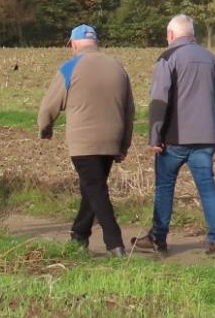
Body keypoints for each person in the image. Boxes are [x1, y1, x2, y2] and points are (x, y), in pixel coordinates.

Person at [137, 14, 215, 258]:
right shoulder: (211, 59)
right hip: (205, 138)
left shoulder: (168, 58)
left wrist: (155, 136)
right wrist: (211, 126)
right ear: (192, 33)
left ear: (170, 35)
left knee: (165, 188)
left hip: (174, 139)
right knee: (207, 188)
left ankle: (158, 239)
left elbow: (159, 100)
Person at [38, 24, 134, 257]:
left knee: (96, 189)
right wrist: (124, 143)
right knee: (92, 188)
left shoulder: (70, 67)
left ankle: (114, 243)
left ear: (74, 44)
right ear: (96, 43)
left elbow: (49, 105)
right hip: (112, 139)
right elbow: (129, 109)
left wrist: (45, 128)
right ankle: (78, 236)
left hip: (84, 141)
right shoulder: (118, 67)